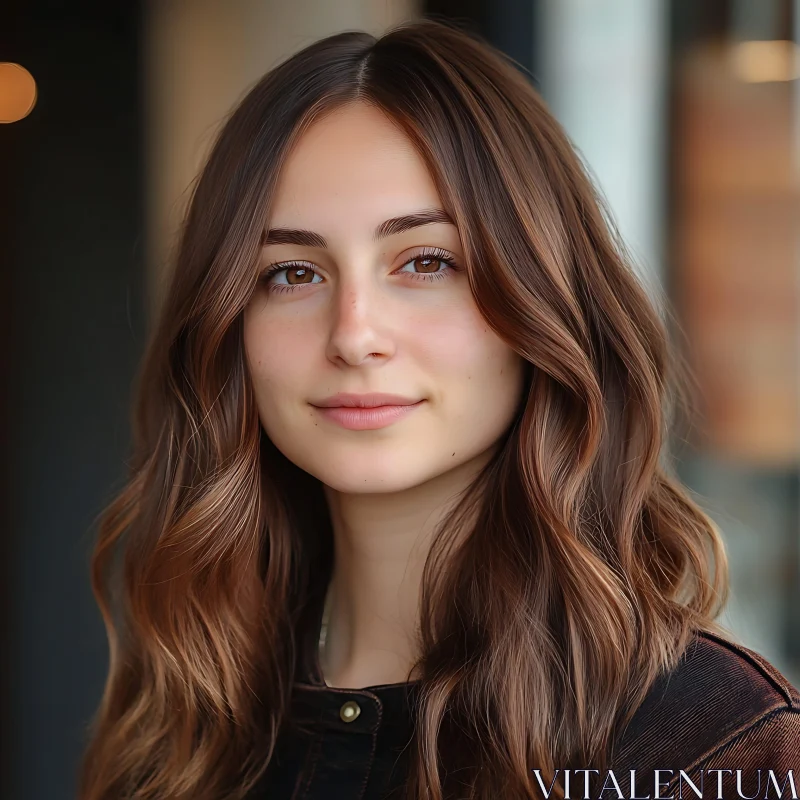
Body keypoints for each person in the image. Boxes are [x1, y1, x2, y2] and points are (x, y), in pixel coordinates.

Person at [79, 18, 799, 800]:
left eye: (427, 261)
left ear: (544, 300)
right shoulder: (191, 705)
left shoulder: (708, 739)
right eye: (290, 273)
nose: (354, 335)